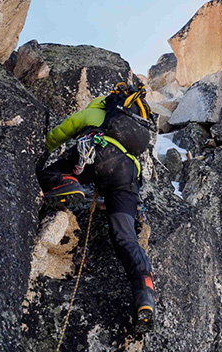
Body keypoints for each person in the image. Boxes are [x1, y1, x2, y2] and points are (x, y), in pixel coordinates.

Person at [37, 81, 157, 334]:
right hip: (126, 176)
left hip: (97, 157)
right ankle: (144, 294)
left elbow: (63, 130)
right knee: (126, 238)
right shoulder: (135, 127)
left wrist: (45, 145)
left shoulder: (97, 111)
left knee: (52, 172)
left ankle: (70, 185)